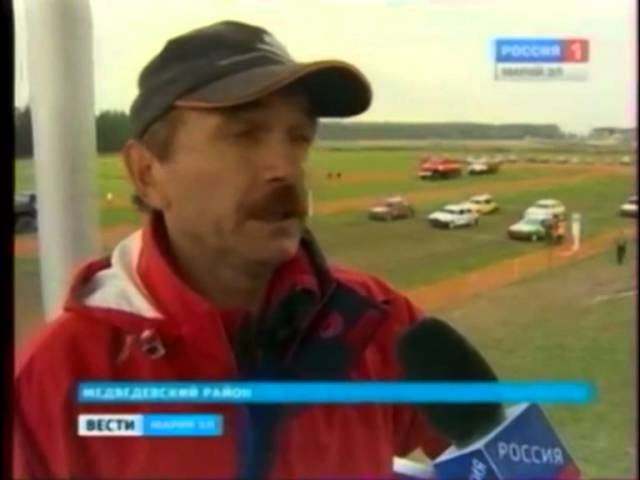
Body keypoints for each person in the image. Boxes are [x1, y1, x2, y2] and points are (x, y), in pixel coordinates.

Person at [14, 20, 449, 479]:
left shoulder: (376, 320)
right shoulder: (58, 380)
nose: (285, 167)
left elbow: (490, 446)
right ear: (147, 173)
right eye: (244, 134)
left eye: (298, 137)